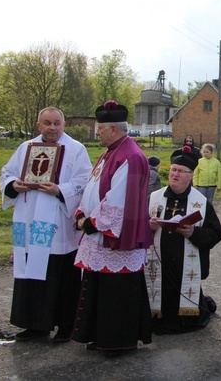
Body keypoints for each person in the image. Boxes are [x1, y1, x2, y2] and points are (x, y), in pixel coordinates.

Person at [0, 107, 92, 342]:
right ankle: (35, 325)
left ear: (64, 125)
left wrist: (60, 189)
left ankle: (65, 325)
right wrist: (14, 185)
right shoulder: (25, 148)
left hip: (58, 223)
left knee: (60, 275)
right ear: (38, 125)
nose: (52, 127)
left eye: (57, 123)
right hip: (29, 219)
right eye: (47, 123)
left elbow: (84, 181)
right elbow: (6, 173)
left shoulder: (76, 149)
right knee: (30, 273)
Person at [72, 100, 153, 356]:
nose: (97, 132)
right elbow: (93, 188)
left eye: (100, 128)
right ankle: (99, 335)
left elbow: (119, 200)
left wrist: (92, 223)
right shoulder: (111, 151)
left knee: (116, 294)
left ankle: (117, 341)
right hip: (100, 237)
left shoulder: (130, 155)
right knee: (99, 288)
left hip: (116, 240)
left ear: (114, 130)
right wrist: (82, 213)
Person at [146, 146, 221, 334]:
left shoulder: (201, 202)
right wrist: (148, 226)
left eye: (181, 171)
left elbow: (216, 234)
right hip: (159, 263)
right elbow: (136, 228)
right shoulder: (154, 198)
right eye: (173, 169)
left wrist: (193, 233)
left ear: (190, 175)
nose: (175, 174)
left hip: (185, 264)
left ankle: (190, 317)